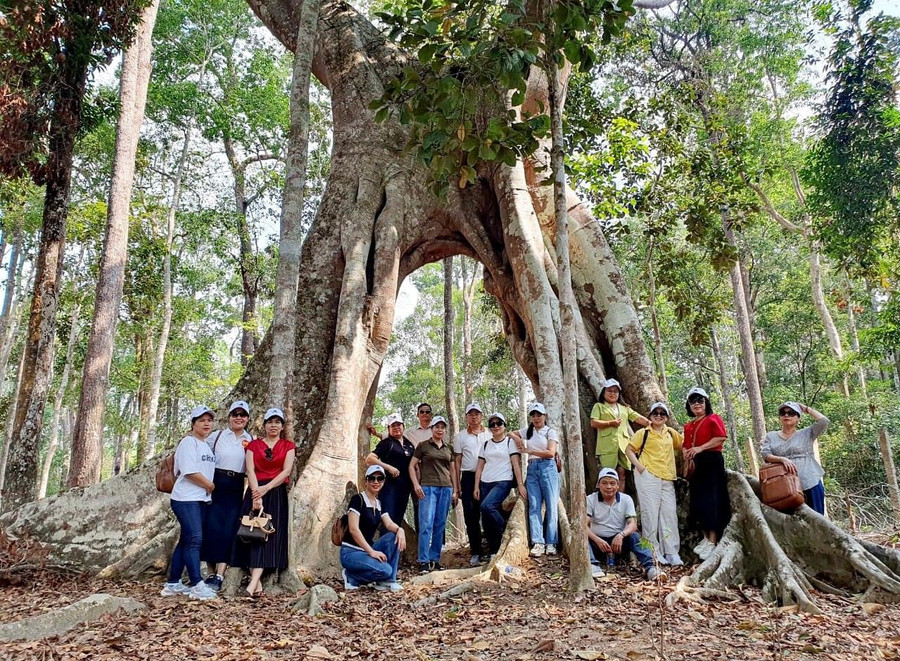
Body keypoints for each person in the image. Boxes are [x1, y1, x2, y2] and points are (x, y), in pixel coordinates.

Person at [233, 407, 296, 598]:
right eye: (270, 422)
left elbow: (286, 471)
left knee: (268, 536)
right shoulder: (253, 445)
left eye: (277, 422)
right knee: (252, 533)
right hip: (254, 491)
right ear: (264, 425)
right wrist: (256, 494)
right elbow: (250, 470)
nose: (273, 426)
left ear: (282, 426)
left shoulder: (288, 446)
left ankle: (254, 584)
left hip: (275, 493)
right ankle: (255, 584)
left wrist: (265, 489)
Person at [160, 405, 219, 600]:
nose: (206, 423)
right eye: (202, 420)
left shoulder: (205, 445)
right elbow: (188, 471)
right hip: (186, 499)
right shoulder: (188, 442)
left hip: (200, 499)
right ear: (193, 423)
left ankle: (173, 583)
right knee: (195, 540)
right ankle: (196, 584)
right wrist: (209, 485)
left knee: (186, 540)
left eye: (209, 420)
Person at [200, 400, 253, 592]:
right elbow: (200, 451)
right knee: (210, 527)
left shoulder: (250, 440)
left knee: (228, 528)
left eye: (242, 415)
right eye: (235, 414)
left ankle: (220, 574)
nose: (239, 418)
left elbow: (253, 468)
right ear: (229, 417)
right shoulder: (217, 436)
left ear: (247, 419)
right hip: (215, 483)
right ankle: (209, 572)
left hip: (236, 485)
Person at [626, 402, 684, 566]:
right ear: (650, 415)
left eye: (662, 413)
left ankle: (671, 551)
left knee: (669, 514)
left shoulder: (670, 433)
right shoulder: (643, 432)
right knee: (650, 513)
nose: (659, 416)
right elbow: (629, 450)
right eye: (655, 413)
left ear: (666, 417)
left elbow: (684, 445)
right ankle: (653, 551)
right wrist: (639, 467)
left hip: (667, 477)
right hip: (648, 475)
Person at [585, 468, 664, 581]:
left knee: (635, 537)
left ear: (618, 485)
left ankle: (651, 568)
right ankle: (592, 565)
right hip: (597, 543)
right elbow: (583, 524)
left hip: (619, 543)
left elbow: (633, 524)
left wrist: (621, 535)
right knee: (581, 536)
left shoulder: (626, 499)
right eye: (604, 483)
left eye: (612, 483)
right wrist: (597, 540)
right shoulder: (591, 499)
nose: (608, 487)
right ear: (598, 485)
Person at [682, 387, 731, 561]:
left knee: (712, 500)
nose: (697, 404)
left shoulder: (713, 418)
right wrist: (686, 452)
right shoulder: (688, 426)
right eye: (693, 401)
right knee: (698, 501)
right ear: (689, 405)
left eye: (700, 400)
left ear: (706, 402)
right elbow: (685, 445)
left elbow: (720, 437)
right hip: (696, 465)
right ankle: (705, 537)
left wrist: (700, 448)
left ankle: (713, 540)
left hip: (711, 462)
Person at [340, 465, 406, 591]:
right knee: (385, 569)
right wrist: (371, 552)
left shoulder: (379, 503)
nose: (376, 482)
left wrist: (400, 530)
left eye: (380, 478)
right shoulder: (358, 500)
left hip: (367, 551)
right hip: (351, 552)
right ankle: (351, 576)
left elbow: (389, 524)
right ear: (366, 481)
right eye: (372, 478)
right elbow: (354, 529)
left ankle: (388, 581)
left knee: (393, 536)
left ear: (383, 481)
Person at [473, 412, 526, 560]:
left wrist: (520, 485)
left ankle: (504, 527)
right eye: (492, 424)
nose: (496, 427)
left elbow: (516, 465)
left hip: (503, 480)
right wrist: (476, 486)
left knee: (487, 506)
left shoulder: (510, 443)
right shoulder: (486, 444)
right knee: (486, 518)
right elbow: (480, 467)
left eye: (499, 423)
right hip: (485, 482)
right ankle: (494, 550)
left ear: (504, 426)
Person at [761, 402, 830, 515]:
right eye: (783, 413)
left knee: (817, 517)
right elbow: (765, 454)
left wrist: (806, 409)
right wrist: (782, 459)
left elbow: (824, 421)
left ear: (798, 418)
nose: (786, 415)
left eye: (791, 413)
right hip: (784, 486)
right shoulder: (771, 436)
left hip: (809, 481)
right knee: (791, 522)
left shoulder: (806, 433)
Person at [510, 402, 560, 557]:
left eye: (539, 415)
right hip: (532, 469)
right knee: (534, 505)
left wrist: (529, 450)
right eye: (533, 415)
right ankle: (538, 542)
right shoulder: (528, 431)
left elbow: (551, 452)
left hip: (547, 468)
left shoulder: (550, 432)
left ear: (545, 416)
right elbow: (511, 433)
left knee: (551, 505)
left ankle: (551, 542)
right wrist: (517, 439)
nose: (536, 418)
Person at [410, 415, 457, 572]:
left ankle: (435, 560)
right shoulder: (423, 446)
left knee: (439, 525)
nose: (439, 430)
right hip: (428, 488)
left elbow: (452, 470)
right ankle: (423, 561)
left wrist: (455, 490)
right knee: (426, 524)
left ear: (445, 430)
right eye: (437, 426)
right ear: (431, 429)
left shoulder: (448, 448)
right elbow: (412, 466)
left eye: (442, 427)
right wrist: (416, 485)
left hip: (445, 488)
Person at [590, 378, 650, 491]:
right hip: (607, 446)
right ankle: (606, 499)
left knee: (622, 473)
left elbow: (637, 418)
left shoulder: (624, 408)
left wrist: (651, 424)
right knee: (607, 475)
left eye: (615, 391)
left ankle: (619, 498)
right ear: (604, 392)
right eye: (610, 391)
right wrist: (610, 423)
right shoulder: (599, 406)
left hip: (623, 446)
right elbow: (593, 422)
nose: (612, 393)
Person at [453, 402, 491, 565]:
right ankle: (476, 551)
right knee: (471, 515)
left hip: (487, 477)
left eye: (477, 414)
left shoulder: (490, 434)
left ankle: (492, 548)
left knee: (488, 511)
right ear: (467, 417)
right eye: (471, 414)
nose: (474, 417)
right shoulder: (460, 436)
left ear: (481, 416)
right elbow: (457, 462)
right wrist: (457, 486)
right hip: (468, 477)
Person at [366, 413, 416, 529]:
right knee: (388, 520)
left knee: (398, 520)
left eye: (398, 425)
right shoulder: (387, 443)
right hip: (389, 487)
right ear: (389, 429)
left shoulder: (409, 445)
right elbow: (370, 459)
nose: (396, 428)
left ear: (403, 426)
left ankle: (394, 546)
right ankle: (385, 546)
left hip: (405, 488)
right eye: (393, 426)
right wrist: (388, 467)